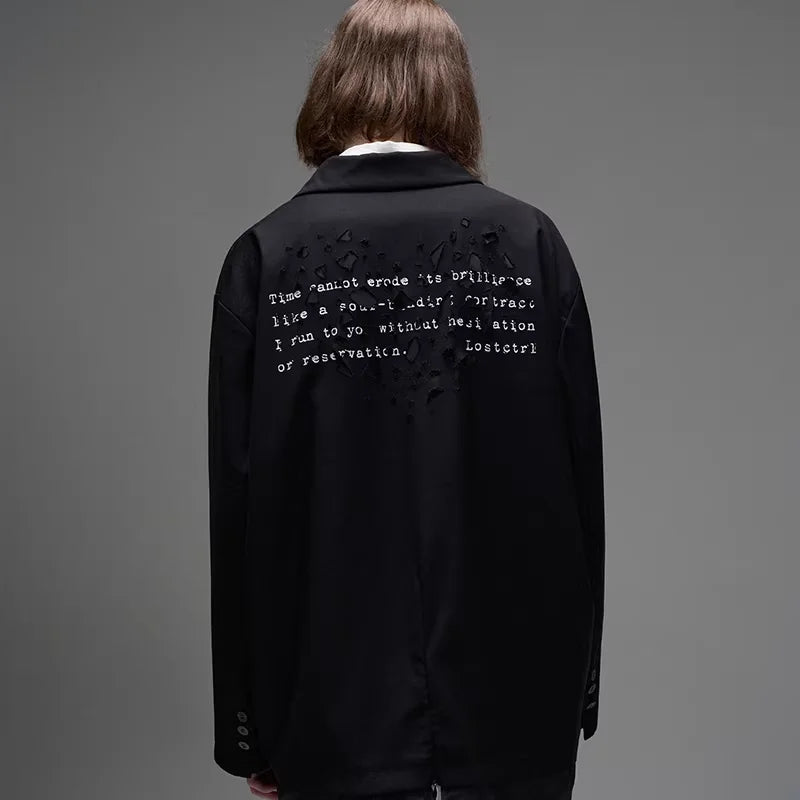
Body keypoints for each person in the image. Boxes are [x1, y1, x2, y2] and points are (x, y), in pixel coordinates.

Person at [207, 1, 605, 799]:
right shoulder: (530, 245)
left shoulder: (267, 257)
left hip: (325, 704)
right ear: (455, 92)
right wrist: (578, 692)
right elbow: (579, 480)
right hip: (515, 703)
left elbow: (240, 505)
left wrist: (248, 726)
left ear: (333, 83)